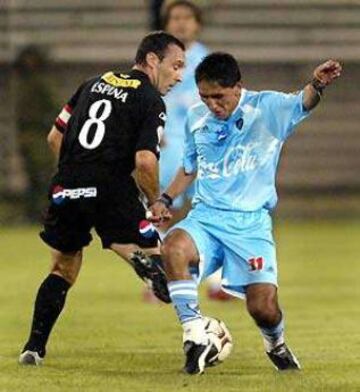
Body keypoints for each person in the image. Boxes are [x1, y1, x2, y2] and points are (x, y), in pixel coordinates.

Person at [160, 53, 342, 374]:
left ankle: (276, 344)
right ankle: (195, 334)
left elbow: (304, 102)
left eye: (219, 96)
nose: (212, 104)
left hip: (250, 225)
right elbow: (189, 166)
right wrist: (165, 199)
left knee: (264, 309)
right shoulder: (195, 117)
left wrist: (317, 84)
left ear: (238, 87)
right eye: (205, 96)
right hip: (207, 218)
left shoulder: (267, 108)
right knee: (173, 245)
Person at [19, 31, 185, 366]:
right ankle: (198, 331)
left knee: (63, 268)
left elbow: (54, 137)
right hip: (112, 186)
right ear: (153, 60)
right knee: (163, 263)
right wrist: (154, 201)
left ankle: (33, 348)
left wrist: (74, 176)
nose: (180, 76)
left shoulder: (92, 83)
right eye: (177, 65)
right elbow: (145, 161)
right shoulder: (150, 99)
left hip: (67, 184)